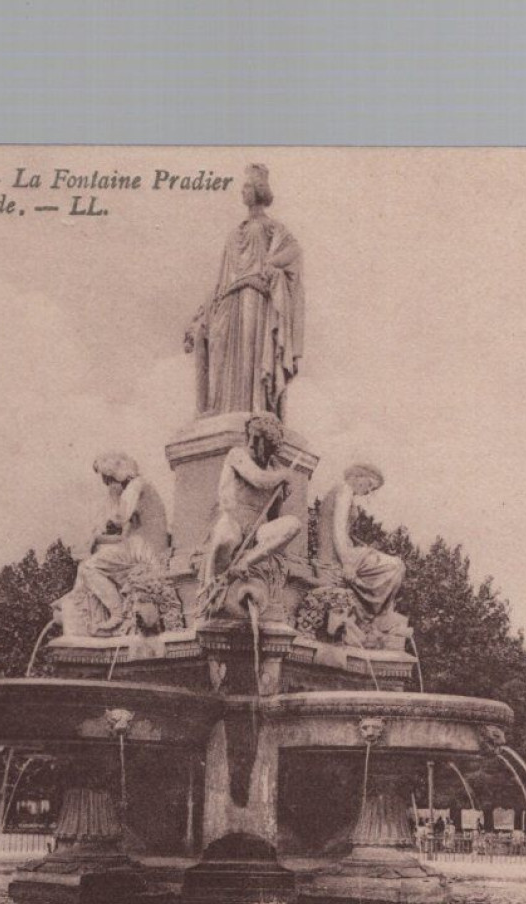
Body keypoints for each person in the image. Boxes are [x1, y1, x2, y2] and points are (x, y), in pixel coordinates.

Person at [184, 164, 304, 419]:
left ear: (259, 189)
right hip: (229, 298)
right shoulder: (234, 232)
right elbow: (221, 278)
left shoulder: (272, 227)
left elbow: (294, 251)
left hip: (254, 296)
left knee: (251, 352)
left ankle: (254, 407)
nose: (242, 191)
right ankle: (222, 408)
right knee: (220, 350)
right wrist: (201, 313)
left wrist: (271, 265)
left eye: (247, 186)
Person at [55, 452, 169, 636]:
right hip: (137, 546)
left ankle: (117, 615)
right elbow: (123, 536)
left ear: (116, 473)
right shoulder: (139, 488)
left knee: (89, 568)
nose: (106, 484)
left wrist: (114, 496)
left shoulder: (135, 486)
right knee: (87, 562)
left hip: (146, 550)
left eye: (107, 478)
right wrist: (96, 540)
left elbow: (118, 518)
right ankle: (79, 602)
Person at [198, 414, 302, 604]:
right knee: (226, 537)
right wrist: (283, 476)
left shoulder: (274, 469)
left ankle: (246, 561)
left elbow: (272, 515)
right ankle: (213, 586)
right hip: (233, 519)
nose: (251, 443)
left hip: (257, 529)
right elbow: (258, 479)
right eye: (250, 436)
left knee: (293, 524)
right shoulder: (238, 455)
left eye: (258, 439)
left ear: (271, 445)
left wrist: (281, 496)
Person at [316, 462, 408, 629]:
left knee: (395, 566)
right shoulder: (344, 490)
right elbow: (338, 528)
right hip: (338, 554)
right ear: (359, 477)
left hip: (343, 550)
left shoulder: (344, 492)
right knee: (396, 566)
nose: (368, 491)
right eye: (371, 485)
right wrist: (347, 564)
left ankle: (379, 615)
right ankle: (377, 617)